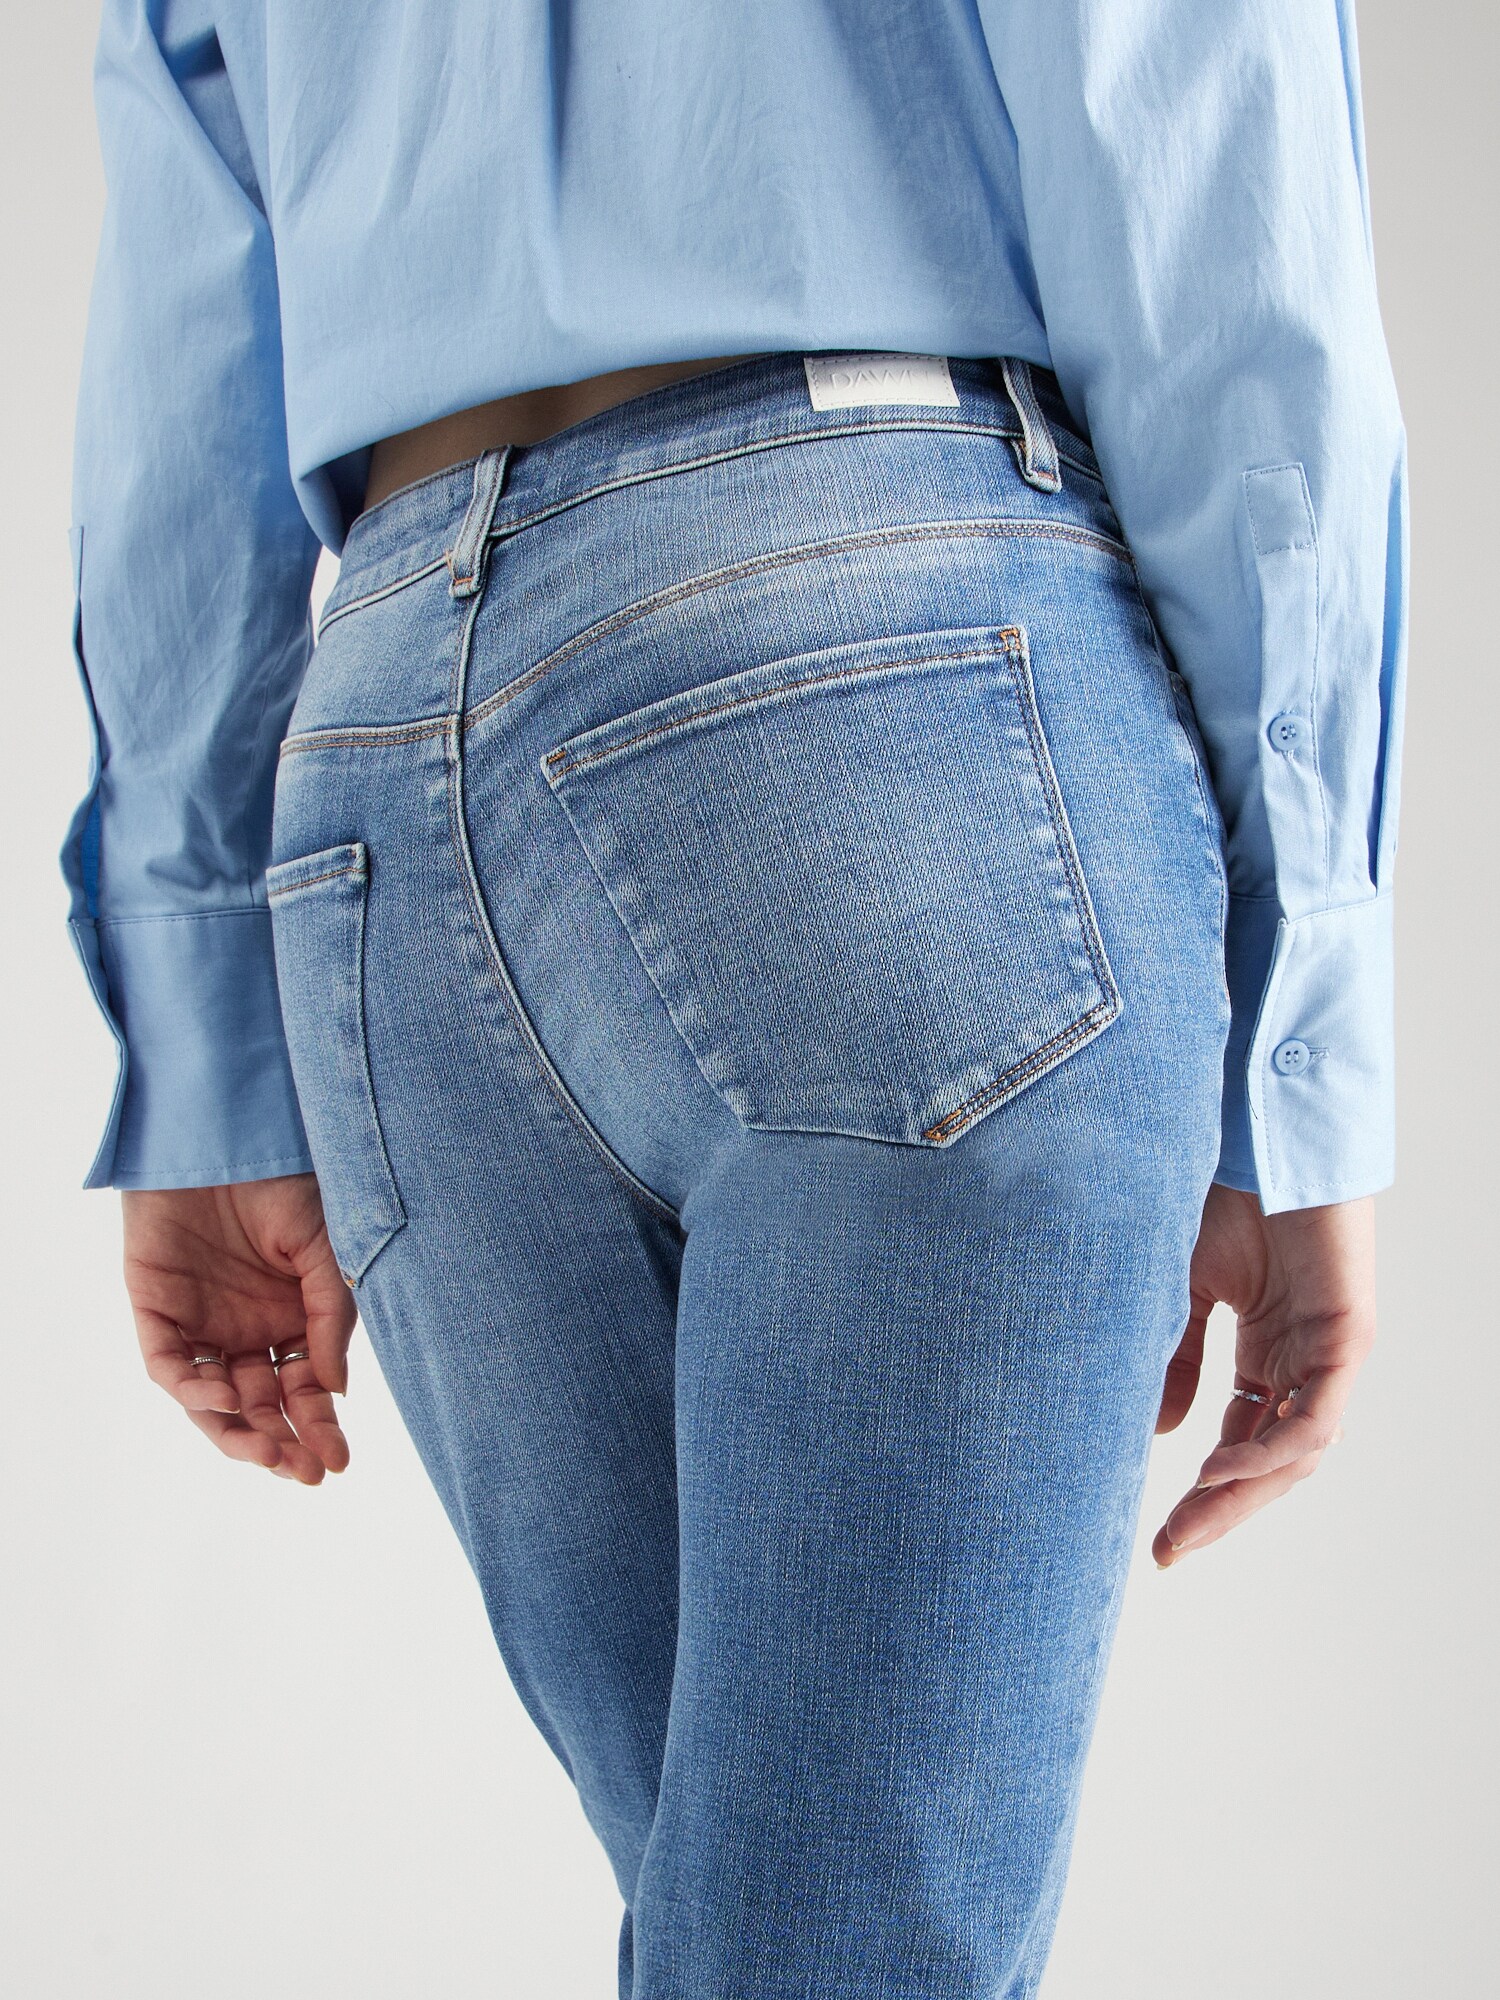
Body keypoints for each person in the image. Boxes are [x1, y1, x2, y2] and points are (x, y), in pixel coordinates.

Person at [62, 4, 1404, 1994]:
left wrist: (204, 1053)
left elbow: (179, 355)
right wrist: (1301, 1023)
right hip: (878, 661)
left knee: (758, 1939)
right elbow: (1200, 174)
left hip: (389, 776)